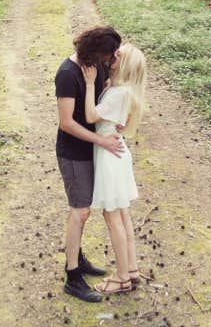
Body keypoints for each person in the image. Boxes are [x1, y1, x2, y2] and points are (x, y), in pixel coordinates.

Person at [55, 27, 125, 302]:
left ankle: (78, 258)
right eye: (109, 54)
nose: (111, 60)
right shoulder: (67, 74)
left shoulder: (98, 68)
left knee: (84, 210)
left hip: (94, 150)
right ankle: (72, 275)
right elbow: (66, 122)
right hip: (74, 153)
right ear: (96, 52)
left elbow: (103, 103)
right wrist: (101, 140)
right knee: (80, 212)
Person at [81, 43, 147, 295]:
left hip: (109, 156)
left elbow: (90, 116)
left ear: (125, 65)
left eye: (119, 55)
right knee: (122, 214)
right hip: (117, 154)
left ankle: (121, 278)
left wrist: (89, 85)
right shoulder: (123, 91)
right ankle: (131, 269)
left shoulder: (118, 94)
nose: (114, 56)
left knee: (112, 217)